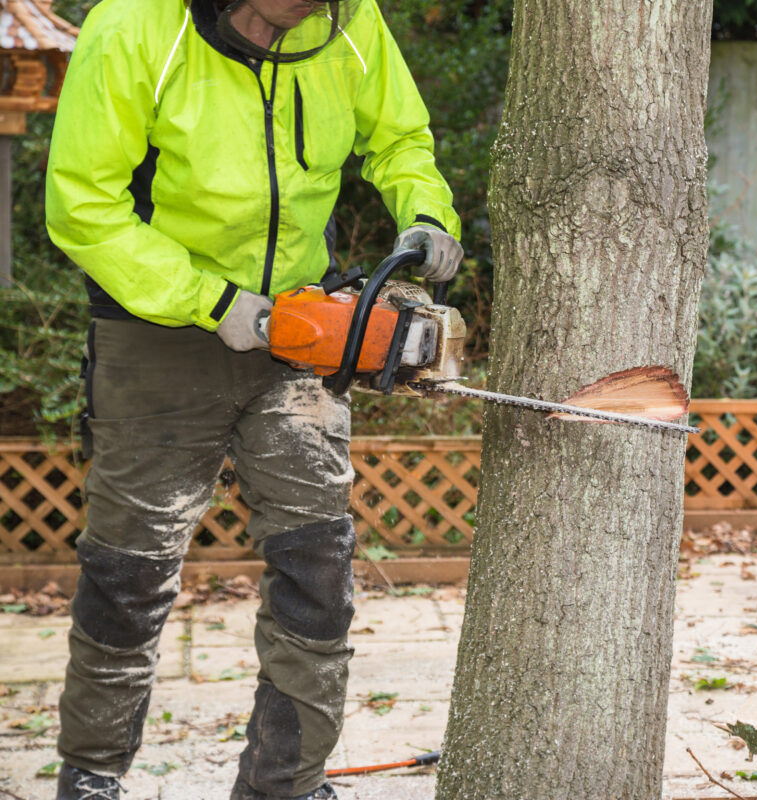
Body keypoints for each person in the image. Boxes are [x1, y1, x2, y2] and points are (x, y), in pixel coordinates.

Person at [44, 0, 462, 797]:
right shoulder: (134, 27)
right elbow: (84, 206)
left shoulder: (348, 23)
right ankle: (91, 773)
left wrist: (425, 210)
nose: (311, 11)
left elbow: (399, 134)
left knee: (317, 567)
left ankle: (288, 784)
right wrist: (215, 301)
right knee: (127, 574)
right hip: (156, 328)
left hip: (301, 331)